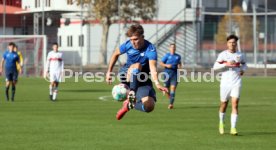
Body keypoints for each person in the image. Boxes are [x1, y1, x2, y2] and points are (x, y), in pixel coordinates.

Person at [106, 24, 168, 120]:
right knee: (137, 65)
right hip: (126, 74)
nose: (133, 42)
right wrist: (109, 72)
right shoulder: (127, 45)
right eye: (131, 39)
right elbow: (115, 54)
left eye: (135, 39)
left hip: (142, 79)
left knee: (149, 106)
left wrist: (157, 83)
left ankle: (130, 105)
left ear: (142, 37)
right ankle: (131, 93)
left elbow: (152, 67)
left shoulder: (150, 49)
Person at [213, 34, 247, 135]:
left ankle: (233, 128)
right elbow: (215, 67)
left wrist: (243, 70)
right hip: (225, 83)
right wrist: (226, 64)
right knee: (224, 104)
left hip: (236, 82)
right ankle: (221, 122)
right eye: (230, 42)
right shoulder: (223, 54)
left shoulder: (240, 55)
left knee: (235, 104)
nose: (232, 44)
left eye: (233, 42)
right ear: (227, 44)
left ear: (236, 44)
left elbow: (245, 64)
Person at [159, 43, 182, 109]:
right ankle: (170, 97)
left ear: (175, 48)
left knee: (173, 89)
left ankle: (171, 104)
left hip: (175, 75)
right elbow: (161, 63)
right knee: (166, 90)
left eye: (174, 47)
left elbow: (179, 63)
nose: (173, 49)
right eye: (172, 47)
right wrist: (166, 65)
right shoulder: (167, 56)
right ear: (169, 48)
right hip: (166, 74)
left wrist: (180, 68)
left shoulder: (178, 56)